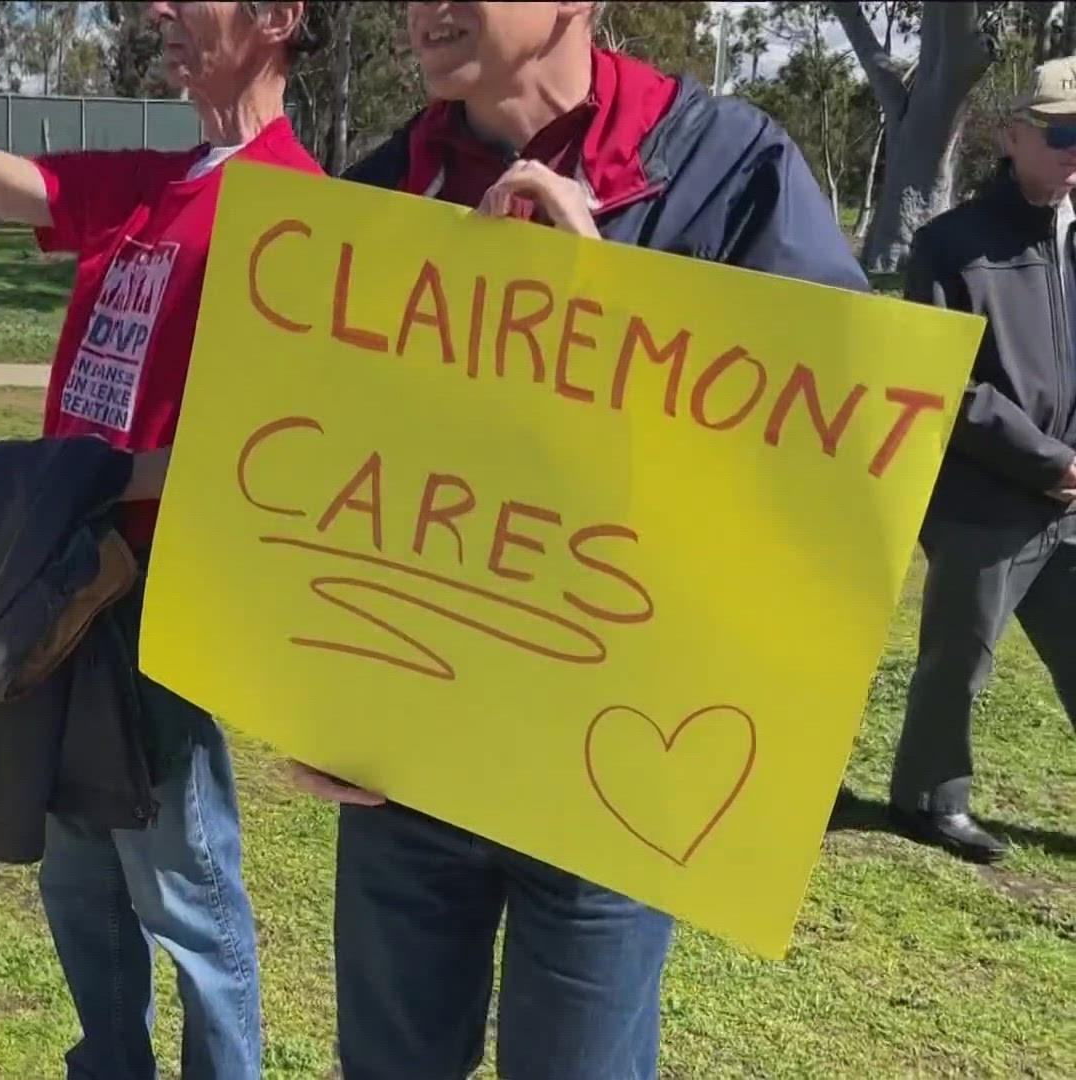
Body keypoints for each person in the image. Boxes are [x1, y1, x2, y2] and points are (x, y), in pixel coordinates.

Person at [295, 3, 869, 1078]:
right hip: (406, 761)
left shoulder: (731, 170)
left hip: (615, 771)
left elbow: (829, 467)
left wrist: (605, 309)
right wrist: (313, 688)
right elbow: (328, 463)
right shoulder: (377, 194)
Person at [0, 3, 318, 1076]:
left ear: (276, 18)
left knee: (182, 884)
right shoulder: (149, 184)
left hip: (147, 589)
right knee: (75, 868)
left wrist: (99, 475)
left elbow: (290, 457)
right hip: (51, 576)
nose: (158, 12)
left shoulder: (295, 210)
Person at [889, 57, 1076, 865]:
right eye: (1063, 134)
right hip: (984, 500)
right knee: (958, 660)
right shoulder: (950, 246)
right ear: (1013, 136)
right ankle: (930, 801)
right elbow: (945, 384)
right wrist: (1045, 459)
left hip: (1069, 501)